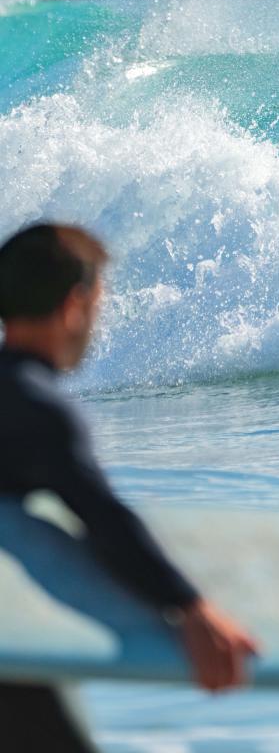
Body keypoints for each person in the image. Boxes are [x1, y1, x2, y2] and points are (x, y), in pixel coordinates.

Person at [0, 222, 259, 752]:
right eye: (98, 304)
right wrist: (191, 608)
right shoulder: (36, 405)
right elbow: (102, 517)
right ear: (75, 305)